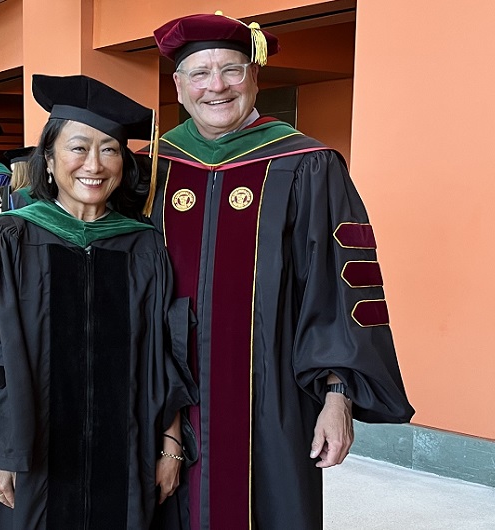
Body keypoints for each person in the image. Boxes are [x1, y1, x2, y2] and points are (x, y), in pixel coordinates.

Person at [149, 12, 415, 529]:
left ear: (254, 76)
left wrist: (338, 396)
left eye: (231, 70)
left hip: (273, 402)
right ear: (178, 86)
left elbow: (340, 288)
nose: (216, 86)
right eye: (199, 73)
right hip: (169, 405)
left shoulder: (308, 165)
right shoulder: (151, 171)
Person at [0, 74, 197, 530]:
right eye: (78, 147)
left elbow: (165, 352)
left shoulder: (143, 247)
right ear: (48, 158)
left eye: (109, 149)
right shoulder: (11, 238)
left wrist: (170, 445)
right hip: (31, 456)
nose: (94, 164)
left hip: (126, 455)